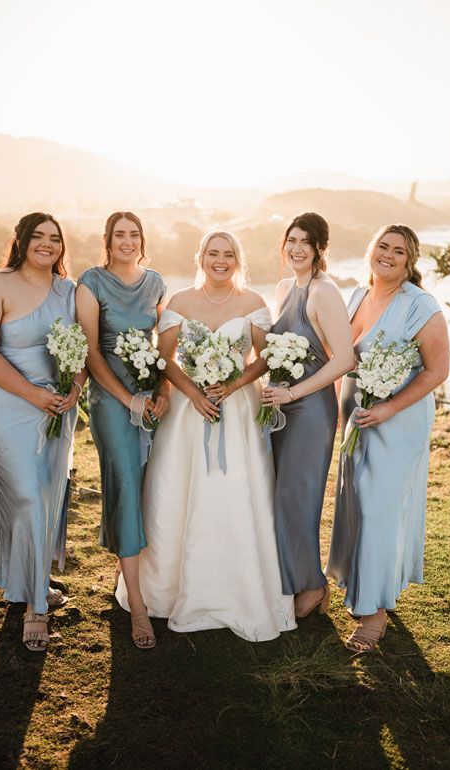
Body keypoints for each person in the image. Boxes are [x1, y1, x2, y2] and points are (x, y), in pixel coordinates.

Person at [116, 230, 296, 642]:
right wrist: (194, 392)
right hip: (187, 408)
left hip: (237, 410)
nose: (221, 260)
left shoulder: (253, 302)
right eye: (213, 253)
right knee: (176, 490)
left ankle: (241, 588)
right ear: (201, 257)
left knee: (236, 491)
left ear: (238, 259)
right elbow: (165, 358)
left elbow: (264, 357)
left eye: (228, 254)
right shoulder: (180, 302)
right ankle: (167, 591)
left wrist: (232, 386)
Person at [326, 224, 449, 653]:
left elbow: (437, 371)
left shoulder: (421, 306)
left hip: (398, 421)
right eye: (383, 246)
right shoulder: (358, 295)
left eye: (399, 251)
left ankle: (374, 613)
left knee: (378, 506)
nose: (389, 255)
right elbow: (342, 356)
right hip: (357, 414)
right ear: (371, 250)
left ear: (409, 261)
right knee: (357, 499)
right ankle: (366, 585)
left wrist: (388, 408)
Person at [0, 212, 84, 652]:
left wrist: (73, 387)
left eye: (55, 238)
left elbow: (82, 348)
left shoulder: (69, 291)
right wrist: (33, 395)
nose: (47, 244)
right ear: (21, 240)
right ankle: (36, 606)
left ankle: (31, 578)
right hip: (4, 410)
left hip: (56, 411)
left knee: (47, 495)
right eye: (38, 236)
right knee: (29, 496)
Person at [76, 211, 168, 649]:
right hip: (111, 398)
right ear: (108, 241)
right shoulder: (90, 282)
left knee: (147, 480)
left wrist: (162, 390)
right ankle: (137, 603)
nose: (127, 242)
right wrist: (126, 398)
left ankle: (124, 570)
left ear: (141, 240)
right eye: (119, 235)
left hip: (148, 393)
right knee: (126, 480)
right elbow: (91, 351)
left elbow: (164, 345)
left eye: (134, 235)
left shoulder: (156, 283)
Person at [261, 213, 354, 618]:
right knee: (277, 494)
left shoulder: (323, 292)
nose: (297, 249)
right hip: (280, 407)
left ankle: (312, 586)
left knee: (295, 496)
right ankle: (288, 580)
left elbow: (345, 359)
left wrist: (294, 391)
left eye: (306, 242)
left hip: (311, 409)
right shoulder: (284, 287)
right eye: (291, 240)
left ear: (320, 249)